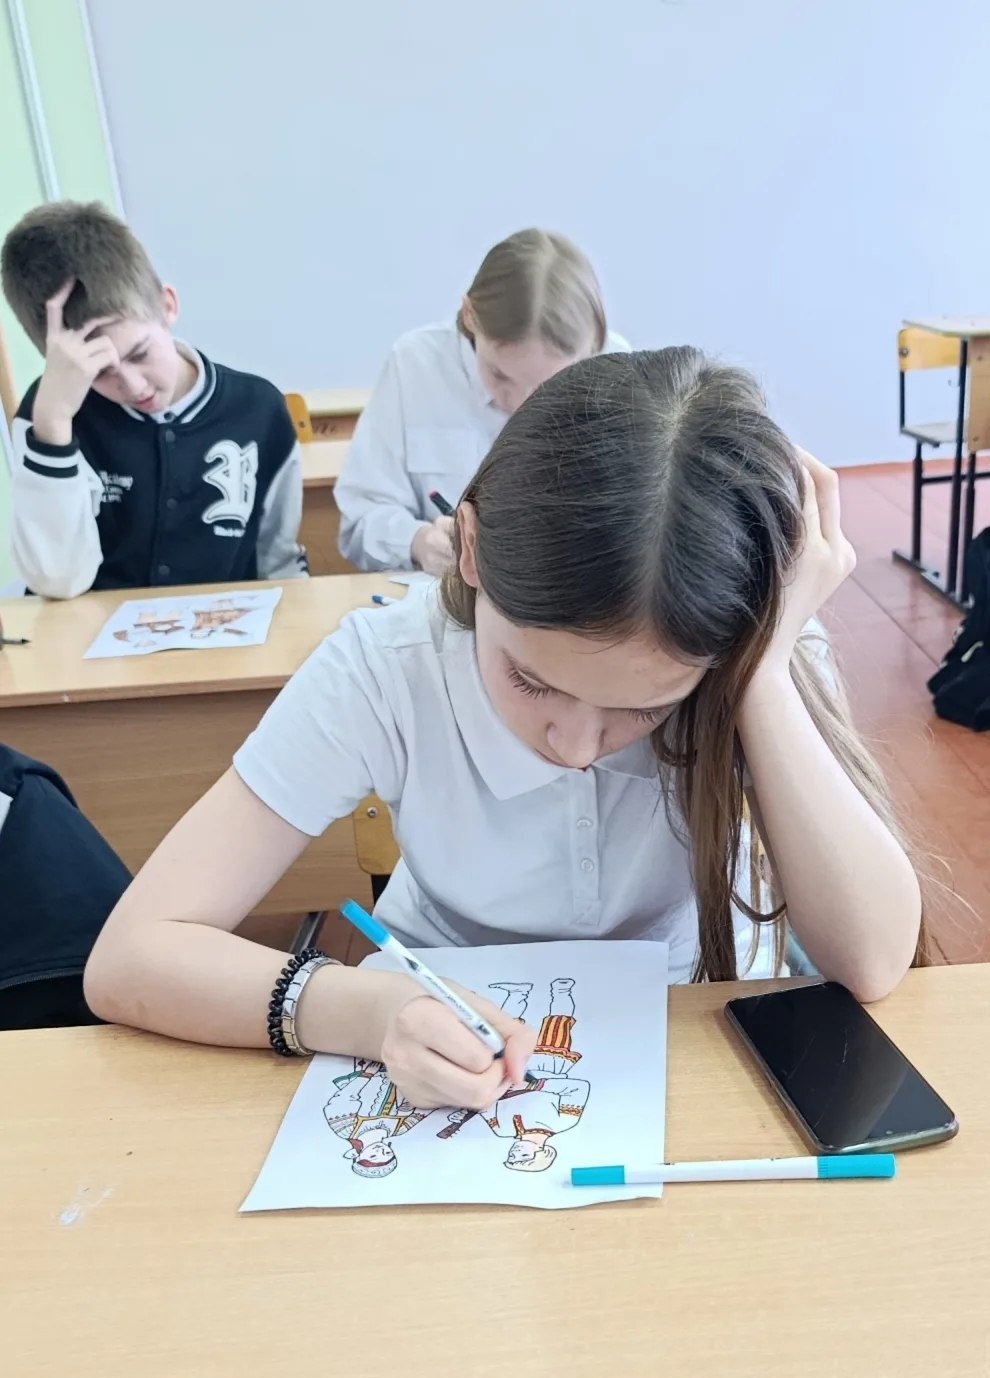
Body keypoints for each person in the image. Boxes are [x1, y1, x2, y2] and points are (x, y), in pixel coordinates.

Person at [85, 347, 927, 1120]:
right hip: (435, 1026)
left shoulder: (752, 649)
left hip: (696, 1021)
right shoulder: (388, 665)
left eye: (646, 707)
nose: (576, 745)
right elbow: (129, 956)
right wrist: (367, 1009)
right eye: (532, 680)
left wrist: (762, 672)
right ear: (471, 549)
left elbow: (873, 958)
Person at [1, 201, 306, 599]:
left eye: (140, 353)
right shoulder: (48, 413)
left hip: (225, 631)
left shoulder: (258, 409)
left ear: (167, 305)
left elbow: (279, 563)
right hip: (89, 636)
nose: (133, 386)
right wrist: (53, 426)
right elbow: (56, 582)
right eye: (100, 373)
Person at [334, 228, 629, 575]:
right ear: (469, 315)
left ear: (592, 348)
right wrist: (417, 541)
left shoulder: (616, 371)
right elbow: (360, 519)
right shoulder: (415, 365)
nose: (519, 404)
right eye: (500, 375)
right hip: (443, 593)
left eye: (548, 386)